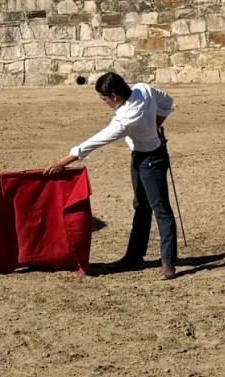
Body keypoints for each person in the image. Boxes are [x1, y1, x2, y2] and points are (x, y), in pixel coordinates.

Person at [44, 72, 179, 280]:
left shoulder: (125, 120)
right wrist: (156, 125)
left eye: (104, 99)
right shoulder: (143, 89)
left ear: (114, 96)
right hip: (145, 156)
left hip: (151, 162)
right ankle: (135, 256)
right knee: (142, 206)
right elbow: (168, 102)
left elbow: (94, 142)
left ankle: (168, 262)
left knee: (160, 208)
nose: (104, 103)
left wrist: (62, 162)